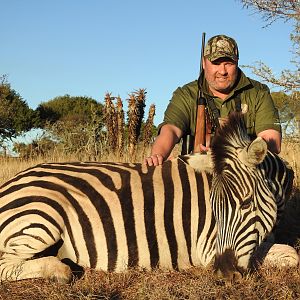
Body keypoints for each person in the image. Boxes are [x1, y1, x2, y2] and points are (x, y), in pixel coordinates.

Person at [144, 34, 281, 166]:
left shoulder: (258, 92)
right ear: (204, 63)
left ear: (237, 62)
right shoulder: (186, 94)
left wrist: (226, 154)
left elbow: (271, 140)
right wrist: (158, 155)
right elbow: (171, 129)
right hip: (199, 170)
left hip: (244, 172)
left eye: (228, 63)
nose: (222, 71)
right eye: (216, 63)